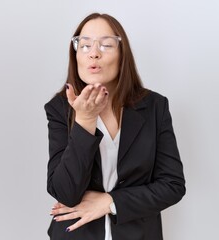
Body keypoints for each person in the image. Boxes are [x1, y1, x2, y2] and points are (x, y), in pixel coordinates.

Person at [44, 12, 186, 240]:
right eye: (84, 45)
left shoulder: (154, 106)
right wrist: (84, 122)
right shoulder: (59, 108)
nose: (94, 53)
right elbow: (65, 192)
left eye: (106, 45)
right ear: (76, 54)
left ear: (122, 55)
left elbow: (172, 185)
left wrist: (110, 202)